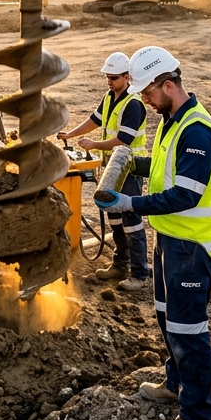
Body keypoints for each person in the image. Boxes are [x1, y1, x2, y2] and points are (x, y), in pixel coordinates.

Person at [94, 46, 211, 420]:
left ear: (167, 85)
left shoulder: (197, 130)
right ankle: (175, 383)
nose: (145, 103)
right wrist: (136, 162)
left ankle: (198, 418)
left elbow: (186, 194)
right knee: (167, 318)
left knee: (188, 329)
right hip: (169, 239)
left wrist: (130, 201)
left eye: (148, 94)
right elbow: (169, 171)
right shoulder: (173, 120)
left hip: (191, 246)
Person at [57, 51, 149, 290]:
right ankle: (120, 265)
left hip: (129, 168)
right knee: (115, 219)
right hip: (111, 168)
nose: (109, 81)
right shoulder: (110, 96)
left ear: (127, 77)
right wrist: (71, 134)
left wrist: (93, 145)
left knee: (132, 221)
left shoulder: (134, 104)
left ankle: (139, 274)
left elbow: (124, 140)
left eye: (114, 77)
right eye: (107, 77)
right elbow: (94, 120)